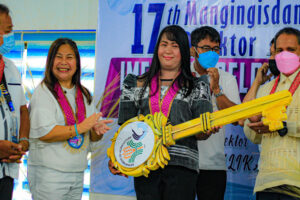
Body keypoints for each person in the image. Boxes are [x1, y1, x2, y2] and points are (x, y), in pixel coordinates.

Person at [109, 25, 216, 200]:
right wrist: (116, 157)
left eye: (175, 46)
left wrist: (206, 130)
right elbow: (125, 130)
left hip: (182, 168)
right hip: (145, 165)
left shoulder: (198, 85)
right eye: (164, 44)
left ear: (183, 51)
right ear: (157, 49)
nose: (168, 50)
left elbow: (202, 132)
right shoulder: (135, 84)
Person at [27, 38, 113, 200]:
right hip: (49, 174)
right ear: (50, 61)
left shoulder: (84, 93)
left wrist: (97, 130)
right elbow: (45, 132)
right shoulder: (43, 92)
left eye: (69, 57)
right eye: (59, 57)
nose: (64, 62)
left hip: (77, 173)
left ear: (77, 63)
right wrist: (79, 128)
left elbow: (91, 134)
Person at [244, 27, 300, 199]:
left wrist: (283, 126)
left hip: (296, 183)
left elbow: (285, 127)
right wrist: (253, 124)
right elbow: (252, 136)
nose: (284, 55)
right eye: (279, 51)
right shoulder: (266, 89)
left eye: (291, 50)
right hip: (266, 182)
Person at [190, 26, 241, 200]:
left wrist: (217, 89)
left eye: (216, 49)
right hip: (182, 162)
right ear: (193, 50)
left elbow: (237, 119)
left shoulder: (227, 78)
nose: (211, 53)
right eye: (205, 48)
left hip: (213, 165)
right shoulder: (182, 77)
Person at [0, 4, 29, 200]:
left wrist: (23, 141)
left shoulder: (10, 68)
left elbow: (21, 110)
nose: (9, 36)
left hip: (7, 170)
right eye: (6, 31)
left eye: (10, 30)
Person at [239, 39, 276, 126]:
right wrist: (257, 82)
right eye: (271, 54)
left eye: (275, 54)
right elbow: (242, 119)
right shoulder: (268, 87)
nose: (271, 58)